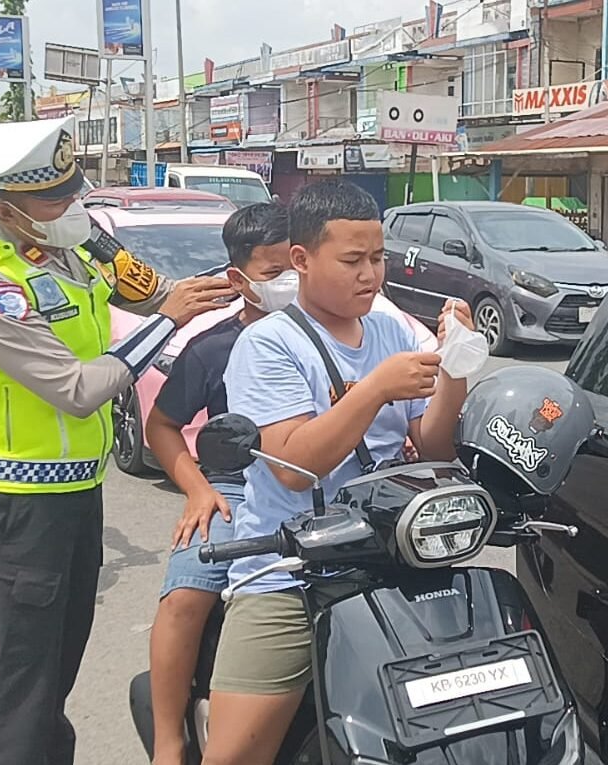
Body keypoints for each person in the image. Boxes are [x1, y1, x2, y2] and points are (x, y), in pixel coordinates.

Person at [0, 115, 236, 765]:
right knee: (25, 685)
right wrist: (166, 319)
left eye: (74, 191)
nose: (72, 205)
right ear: (9, 209)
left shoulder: (73, 250)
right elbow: (76, 387)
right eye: (55, 199)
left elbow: (157, 288)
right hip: (17, 508)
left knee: (57, 674)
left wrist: (233, 287)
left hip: (76, 494)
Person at [202, 181, 476, 764]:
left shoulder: (391, 330)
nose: (370, 275)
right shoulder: (267, 343)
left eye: (377, 258)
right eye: (352, 260)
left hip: (386, 557)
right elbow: (295, 468)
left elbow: (432, 446)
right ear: (300, 260)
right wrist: (374, 389)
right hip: (291, 572)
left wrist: (456, 367)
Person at [146, 202, 294, 765]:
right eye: (274, 273)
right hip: (234, 486)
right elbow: (162, 427)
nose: (290, 284)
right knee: (185, 597)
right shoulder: (212, 347)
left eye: (297, 268)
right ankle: (168, 739)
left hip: (315, 483)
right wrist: (197, 487)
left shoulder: (340, 331)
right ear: (238, 278)